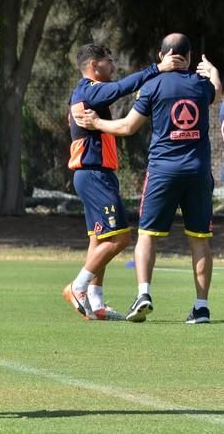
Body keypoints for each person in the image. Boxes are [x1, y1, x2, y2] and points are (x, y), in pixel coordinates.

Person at [76, 33, 222, 323]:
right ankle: (201, 307)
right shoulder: (201, 86)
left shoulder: (153, 85)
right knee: (200, 239)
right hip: (198, 171)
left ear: (161, 56)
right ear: (189, 58)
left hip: (162, 172)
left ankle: (144, 293)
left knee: (147, 236)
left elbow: (128, 127)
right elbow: (217, 93)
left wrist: (97, 123)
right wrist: (215, 73)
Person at [62, 44, 185, 321]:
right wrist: (157, 69)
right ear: (94, 65)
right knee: (120, 237)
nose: (114, 66)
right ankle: (77, 286)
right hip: (94, 174)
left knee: (99, 238)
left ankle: (96, 301)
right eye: (109, 61)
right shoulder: (87, 89)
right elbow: (120, 88)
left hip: (95, 174)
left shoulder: (87, 93)